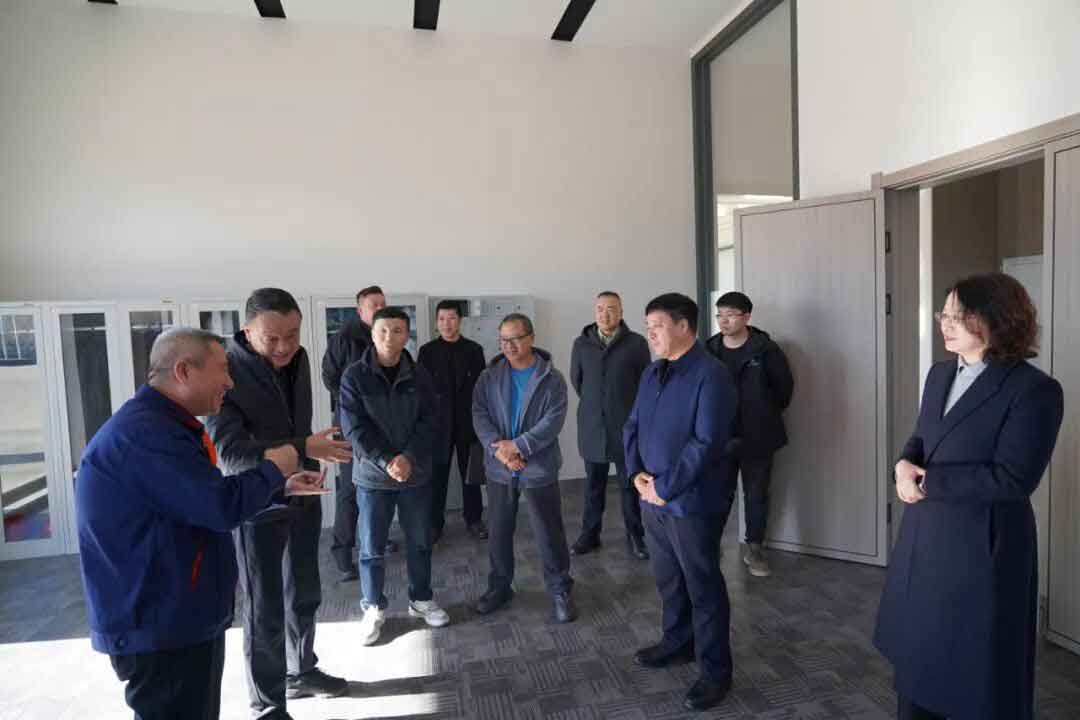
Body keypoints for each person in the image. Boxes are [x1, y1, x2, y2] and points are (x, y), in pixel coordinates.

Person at [75, 327, 326, 720]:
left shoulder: (167, 426)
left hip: (179, 616)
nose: (230, 382)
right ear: (183, 371)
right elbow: (218, 506)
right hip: (160, 625)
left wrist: (280, 486)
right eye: (222, 370)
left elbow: (198, 502)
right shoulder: (147, 435)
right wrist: (274, 467)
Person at [874, 273, 1064, 720]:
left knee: (977, 667)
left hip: (985, 543)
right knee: (919, 654)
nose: (946, 324)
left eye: (960, 316)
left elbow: (1013, 478)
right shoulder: (940, 373)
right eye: (944, 314)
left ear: (999, 319)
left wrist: (925, 483)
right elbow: (923, 438)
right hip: (926, 536)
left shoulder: (1033, 390)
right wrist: (902, 464)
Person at [206, 288, 350, 719]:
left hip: (302, 492)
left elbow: (292, 424)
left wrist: (307, 460)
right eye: (273, 338)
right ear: (247, 330)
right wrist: (302, 447)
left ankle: (300, 669)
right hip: (256, 502)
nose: (285, 346)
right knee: (264, 608)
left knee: (304, 592)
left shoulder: (299, 359)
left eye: (293, 334)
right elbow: (231, 455)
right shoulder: (225, 372)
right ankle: (267, 705)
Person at [624, 292, 737, 712]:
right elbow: (633, 424)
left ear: (684, 326)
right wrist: (636, 474)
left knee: (702, 586)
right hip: (651, 496)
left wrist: (665, 487)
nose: (650, 334)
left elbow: (707, 443)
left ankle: (715, 672)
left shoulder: (711, 375)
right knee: (669, 580)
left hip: (692, 502)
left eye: (657, 326)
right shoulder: (652, 372)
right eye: (648, 327)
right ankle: (677, 644)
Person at [339, 307, 450, 645]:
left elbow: (431, 421)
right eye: (383, 330)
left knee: (420, 541)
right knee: (372, 546)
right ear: (372, 334)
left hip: (415, 475)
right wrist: (387, 459)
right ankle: (373, 606)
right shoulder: (354, 376)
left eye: (398, 331)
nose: (390, 337)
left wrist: (408, 458)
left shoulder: (420, 375)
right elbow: (354, 428)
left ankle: (421, 599)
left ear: (407, 335)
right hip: (373, 477)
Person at [471, 313, 577, 623]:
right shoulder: (489, 377)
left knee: (548, 530)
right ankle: (500, 587)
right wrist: (501, 451)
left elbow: (552, 422)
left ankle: (559, 589)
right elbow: (479, 414)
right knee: (499, 529)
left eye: (515, 338)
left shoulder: (551, 378)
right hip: (500, 466)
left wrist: (518, 446)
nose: (509, 345)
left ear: (531, 337)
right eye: (503, 339)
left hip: (538, 465)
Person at [705, 291, 793, 577]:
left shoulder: (765, 350)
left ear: (747, 317)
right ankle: (711, 545)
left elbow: (784, 390)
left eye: (730, 315)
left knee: (756, 494)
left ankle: (754, 549)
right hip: (720, 435)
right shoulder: (709, 349)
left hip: (759, 435)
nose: (724, 321)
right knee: (719, 492)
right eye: (720, 315)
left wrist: (761, 413)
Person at [569, 291, 651, 560]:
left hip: (626, 427)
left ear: (621, 312)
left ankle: (636, 535)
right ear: (595, 312)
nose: (605, 314)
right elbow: (578, 381)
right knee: (594, 485)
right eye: (600, 309)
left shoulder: (636, 343)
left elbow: (645, 383)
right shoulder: (581, 344)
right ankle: (590, 534)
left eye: (611, 309)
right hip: (593, 426)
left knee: (630, 484)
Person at [322, 285, 393, 580]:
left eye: (383, 303)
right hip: (350, 424)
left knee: (381, 484)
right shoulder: (344, 338)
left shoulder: (387, 336)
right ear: (360, 310)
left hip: (384, 424)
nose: (380, 308)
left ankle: (377, 539)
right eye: (374, 305)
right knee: (351, 489)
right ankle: (342, 552)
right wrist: (355, 402)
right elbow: (329, 377)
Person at [417, 299, 488, 544]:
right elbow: (421, 391)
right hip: (438, 425)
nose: (446, 324)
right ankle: (434, 524)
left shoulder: (474, 350)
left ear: (460, 320)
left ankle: (474, 519)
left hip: (468, 423)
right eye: (442, 319)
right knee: (436, 477)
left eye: (452, 318)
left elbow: (481, 390)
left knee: (471, 474)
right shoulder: (427, 352)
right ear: (436, 322)